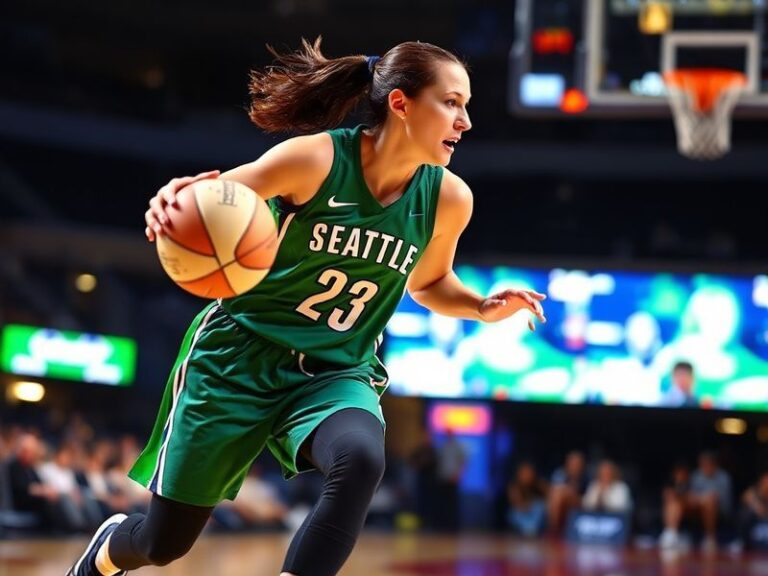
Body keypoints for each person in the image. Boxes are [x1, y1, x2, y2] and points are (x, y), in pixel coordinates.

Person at [66, 38, 547, 576]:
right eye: (452, 102)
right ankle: (107, 550)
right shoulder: (314, 158)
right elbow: (212, 201)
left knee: (361, 459)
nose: (465, 121)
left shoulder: (450, 198)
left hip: (335, 368)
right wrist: (174, 200)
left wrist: (481, 305)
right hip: (238, 358)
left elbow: (430, 282)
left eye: (466, 106)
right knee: (162, 544)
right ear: (401, 104)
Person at [659, 452, 732, 552]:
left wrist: (701, 499)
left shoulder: (723, 477)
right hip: (696, 507)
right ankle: (670, 534)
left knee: (710, 503)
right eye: (702, 464)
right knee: (673, 500)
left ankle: (709, 538)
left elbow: (717, 499)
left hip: (718, 512)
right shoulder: (697, 475)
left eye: (707, 464)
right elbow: (689, 494)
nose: (704, 467)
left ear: (714, 465)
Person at [506, 461, 548, 537]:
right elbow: (518, 505)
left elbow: (547, 497)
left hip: (534, 513)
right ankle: (527, 529)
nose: (527, 476)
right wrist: (527, 504)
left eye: (529, 473)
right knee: (514, 513)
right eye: (524, 473)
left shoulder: (538, 484)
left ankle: (531, 529)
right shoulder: (514, 486)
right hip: (522, 513)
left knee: (539, 507)